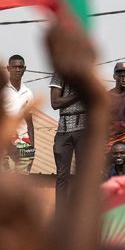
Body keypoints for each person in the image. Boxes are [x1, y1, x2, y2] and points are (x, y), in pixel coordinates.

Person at [49, 67, 87, 210]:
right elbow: (55, 103)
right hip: (63, 129)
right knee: (62, 174)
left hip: (84, 129)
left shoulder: (87, 74)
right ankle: (60, 213)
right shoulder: (60, 73)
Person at [0, 55, 36, 173]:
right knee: (5, 185)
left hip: (24, 145)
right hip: (4, 145)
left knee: (21, 183)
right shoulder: (0, 91)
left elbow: (29, 122)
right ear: (8, 68)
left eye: (20, 67)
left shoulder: (28, 93)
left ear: (24, 69)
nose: (17, 69)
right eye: (14, 67)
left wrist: (32, 148)